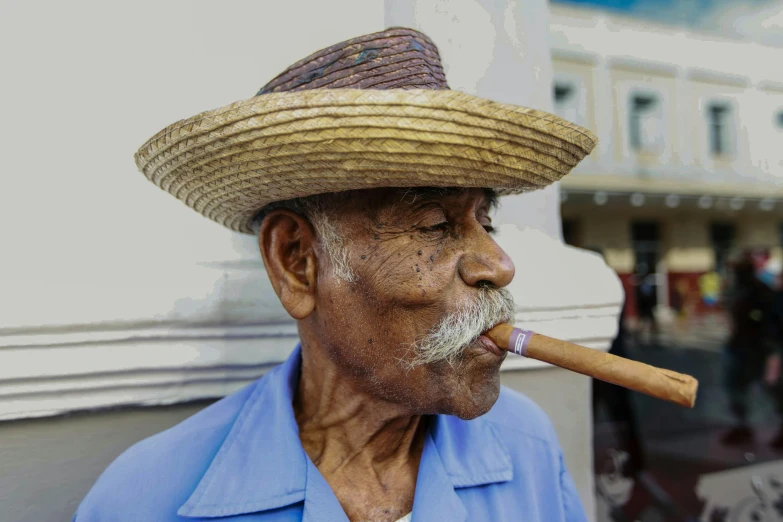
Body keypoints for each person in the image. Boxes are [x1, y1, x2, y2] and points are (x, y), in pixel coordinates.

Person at [73, 28, 596, 521]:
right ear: (296, 261)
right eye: (435, 224)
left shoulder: (527, 448)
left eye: (486, 222)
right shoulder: (147, 498)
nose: (500, 266)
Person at [721, 252, 776, 445]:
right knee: (735, 388)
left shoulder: (760, 291)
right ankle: (742, 426)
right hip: (738, 346)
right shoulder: (736, 290)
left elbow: (769, 320)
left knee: (770, 387)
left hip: (756, 348)